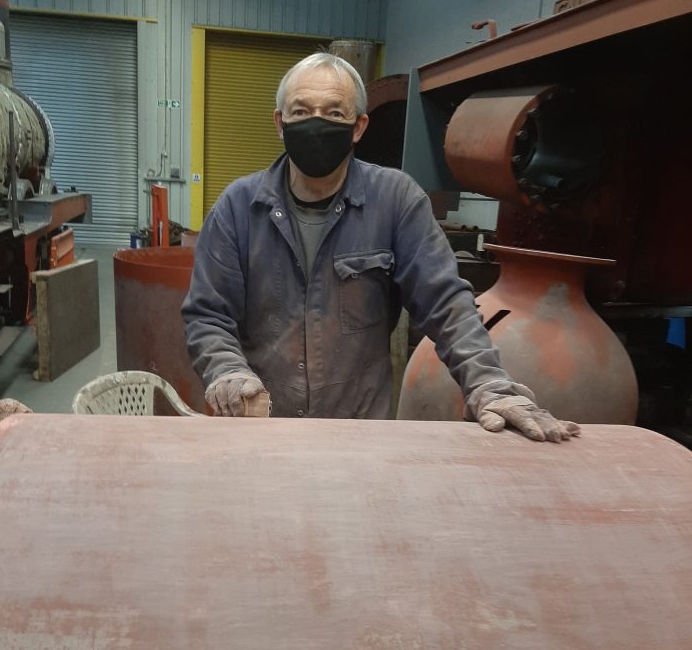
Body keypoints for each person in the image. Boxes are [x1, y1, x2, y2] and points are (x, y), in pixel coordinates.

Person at [182, 52, 579, 442]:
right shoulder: (238, 207)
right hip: (263, 428)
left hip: (359, 435)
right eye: (301, 112)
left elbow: (446, 304)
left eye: (334, 113)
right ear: (279, 123)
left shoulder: (395, 200)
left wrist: (488, 383)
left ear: (358, 127)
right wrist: (227, 371)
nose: (316, 123)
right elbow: (207, 313)